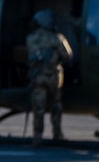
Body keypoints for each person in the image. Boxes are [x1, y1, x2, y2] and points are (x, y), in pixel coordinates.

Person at [27, 8, 71, 144]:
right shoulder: (57, 38)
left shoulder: (31, 38)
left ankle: (37, 137)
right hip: (54, 78)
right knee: (56, 107)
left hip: (38, 78)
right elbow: (68, 56)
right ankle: (57, 134)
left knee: (38, 109)